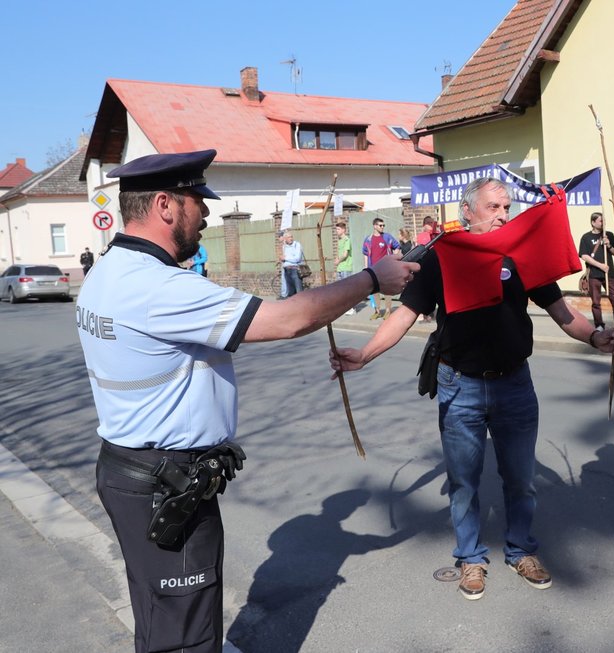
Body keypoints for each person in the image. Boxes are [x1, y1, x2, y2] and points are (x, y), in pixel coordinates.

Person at [75, 149, 416, 653]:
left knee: (160, 617)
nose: (206, 213)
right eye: (197, 201)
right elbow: (287, 320)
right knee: (185, 635)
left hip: (133, 472)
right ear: (166, 205)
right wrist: (372, 279)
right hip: (165, 481)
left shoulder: (109, 270)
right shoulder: (160, 288)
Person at [330, 177, 614, 601]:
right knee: (463, 481)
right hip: (459, 385)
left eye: (506, 207)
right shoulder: (442, 256)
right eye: (493, 207)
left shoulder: (520, 254)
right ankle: (470, 558)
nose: (503, 214)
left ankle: (520, 549)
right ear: (467, 211)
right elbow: (405, 314)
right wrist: (365, 353)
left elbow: (561, 311)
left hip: (514, 385)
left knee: (520, 479)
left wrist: (596, 337)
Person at [578, 211, 614, 330]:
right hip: (594, 275)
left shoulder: (609, 235)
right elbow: (584, 256)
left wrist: (609, 246)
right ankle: (599, 325)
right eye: (600, 221)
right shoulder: (586, 237)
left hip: (610, 274)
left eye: (604, 221)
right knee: (596, 302)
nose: (603, 223)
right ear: (593, 222)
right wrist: (600, 265)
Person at [362, 217, 400, 319]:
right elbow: (365, 253)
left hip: (386, 268)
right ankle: (377, 311)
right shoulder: (368, 239)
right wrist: (366, 268)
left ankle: (388, 311)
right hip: (373, 269)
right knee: (375, 290)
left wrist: (392, 258)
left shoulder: (387, 237)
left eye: (383, 225)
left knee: (387, 289)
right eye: (380, 225)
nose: (382, 227)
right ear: (375, 226)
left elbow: (397, 246)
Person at [334, 221, 356, 315]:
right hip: (340, 268)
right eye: (336, 229)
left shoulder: (347, 240)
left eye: (338, 229)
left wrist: (338, 261)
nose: (337, 231)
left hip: (346, 267)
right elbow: (338, 254)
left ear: (343, 230)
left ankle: (351, 308)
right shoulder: (339, 240)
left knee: (348, 289)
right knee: (341, 290)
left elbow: (345, 254)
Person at [280, 231, 305, 297]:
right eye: (288, 237)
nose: (291, 238)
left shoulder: (297, 245)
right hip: (286, 270)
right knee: (290, 292)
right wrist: (282, 259)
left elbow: (297, 258)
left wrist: (286, 258)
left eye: (291, 237)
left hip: (295, 270)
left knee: (299, 291)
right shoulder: (284, 247)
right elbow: (284, 259)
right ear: (285, 239)